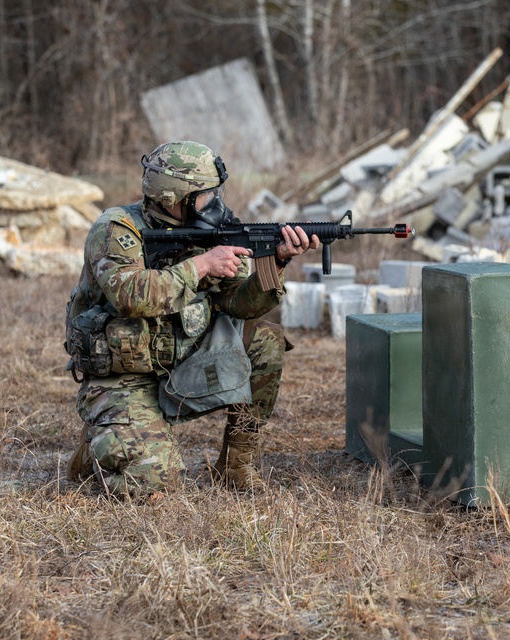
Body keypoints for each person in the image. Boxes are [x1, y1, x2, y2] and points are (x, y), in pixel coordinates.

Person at [64, 141, 319, 496]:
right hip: (123, 376)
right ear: (174, 198)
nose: (214, 203)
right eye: (205, 195)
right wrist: (200, 265)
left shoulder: (210, 230)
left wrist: (274, 261)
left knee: (265, 340)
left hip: (184, 356)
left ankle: (235, 466)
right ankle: (93, 454)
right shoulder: (116, 230)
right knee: (152, 481)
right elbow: (129, 296)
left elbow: (239, 305)